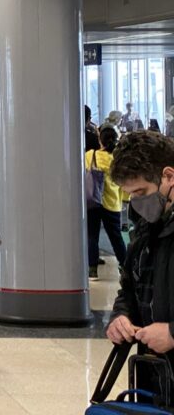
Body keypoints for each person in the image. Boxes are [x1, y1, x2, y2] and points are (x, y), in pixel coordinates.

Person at [107, 131, 174, 399]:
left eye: (141, 192)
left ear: (169, 176)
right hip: (155, 380)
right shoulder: (145, 231)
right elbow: (129, 289)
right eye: (130, 195)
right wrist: (120, 317)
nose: (136, 202)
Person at [86, 125, 128, 281]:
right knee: (116, 237)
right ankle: (125, 267)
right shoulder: (117, 160)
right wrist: (125, 198)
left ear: (100, 140)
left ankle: (92, 270)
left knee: (92, 235)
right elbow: (123, 181)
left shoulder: (91, 155)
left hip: (93, 202)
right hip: (112, 203)